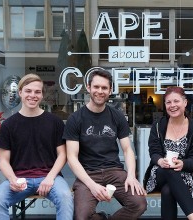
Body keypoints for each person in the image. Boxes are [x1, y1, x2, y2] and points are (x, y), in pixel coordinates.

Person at [63, 68, 147, 220]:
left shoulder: (117, 116)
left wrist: (131, 176)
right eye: (96, 87)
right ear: (88, 88)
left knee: (139, 204)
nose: (100, 91)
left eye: (104, 88)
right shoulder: (75, 119)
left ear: (110, 91)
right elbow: (72, 157)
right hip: (87, 173)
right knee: (82, 217)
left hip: (114, 171)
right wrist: (92, 185)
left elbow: (127, 150)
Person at [0, 73, 74, 220]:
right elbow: (3, 161)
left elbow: (62, 155)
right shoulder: (8, 125)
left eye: (37, 92)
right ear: (20, 92)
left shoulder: (55, 122)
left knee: (66, 197)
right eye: (28, 91)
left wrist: (50, 178)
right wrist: (12, 179)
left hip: (50, 178)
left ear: (42, 95)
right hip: (19, 178)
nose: (32, 95)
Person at [144, 86, 193, 220]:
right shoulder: (158, 125)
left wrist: (183, 164)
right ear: (165, 105)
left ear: (185, 102)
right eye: (168, 102)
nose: (172, 105)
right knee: (167, 170)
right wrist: (160, 161)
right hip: (160, 173)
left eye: (176, 101)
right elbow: (153, 152)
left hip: (186, 174)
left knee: (168, 190)